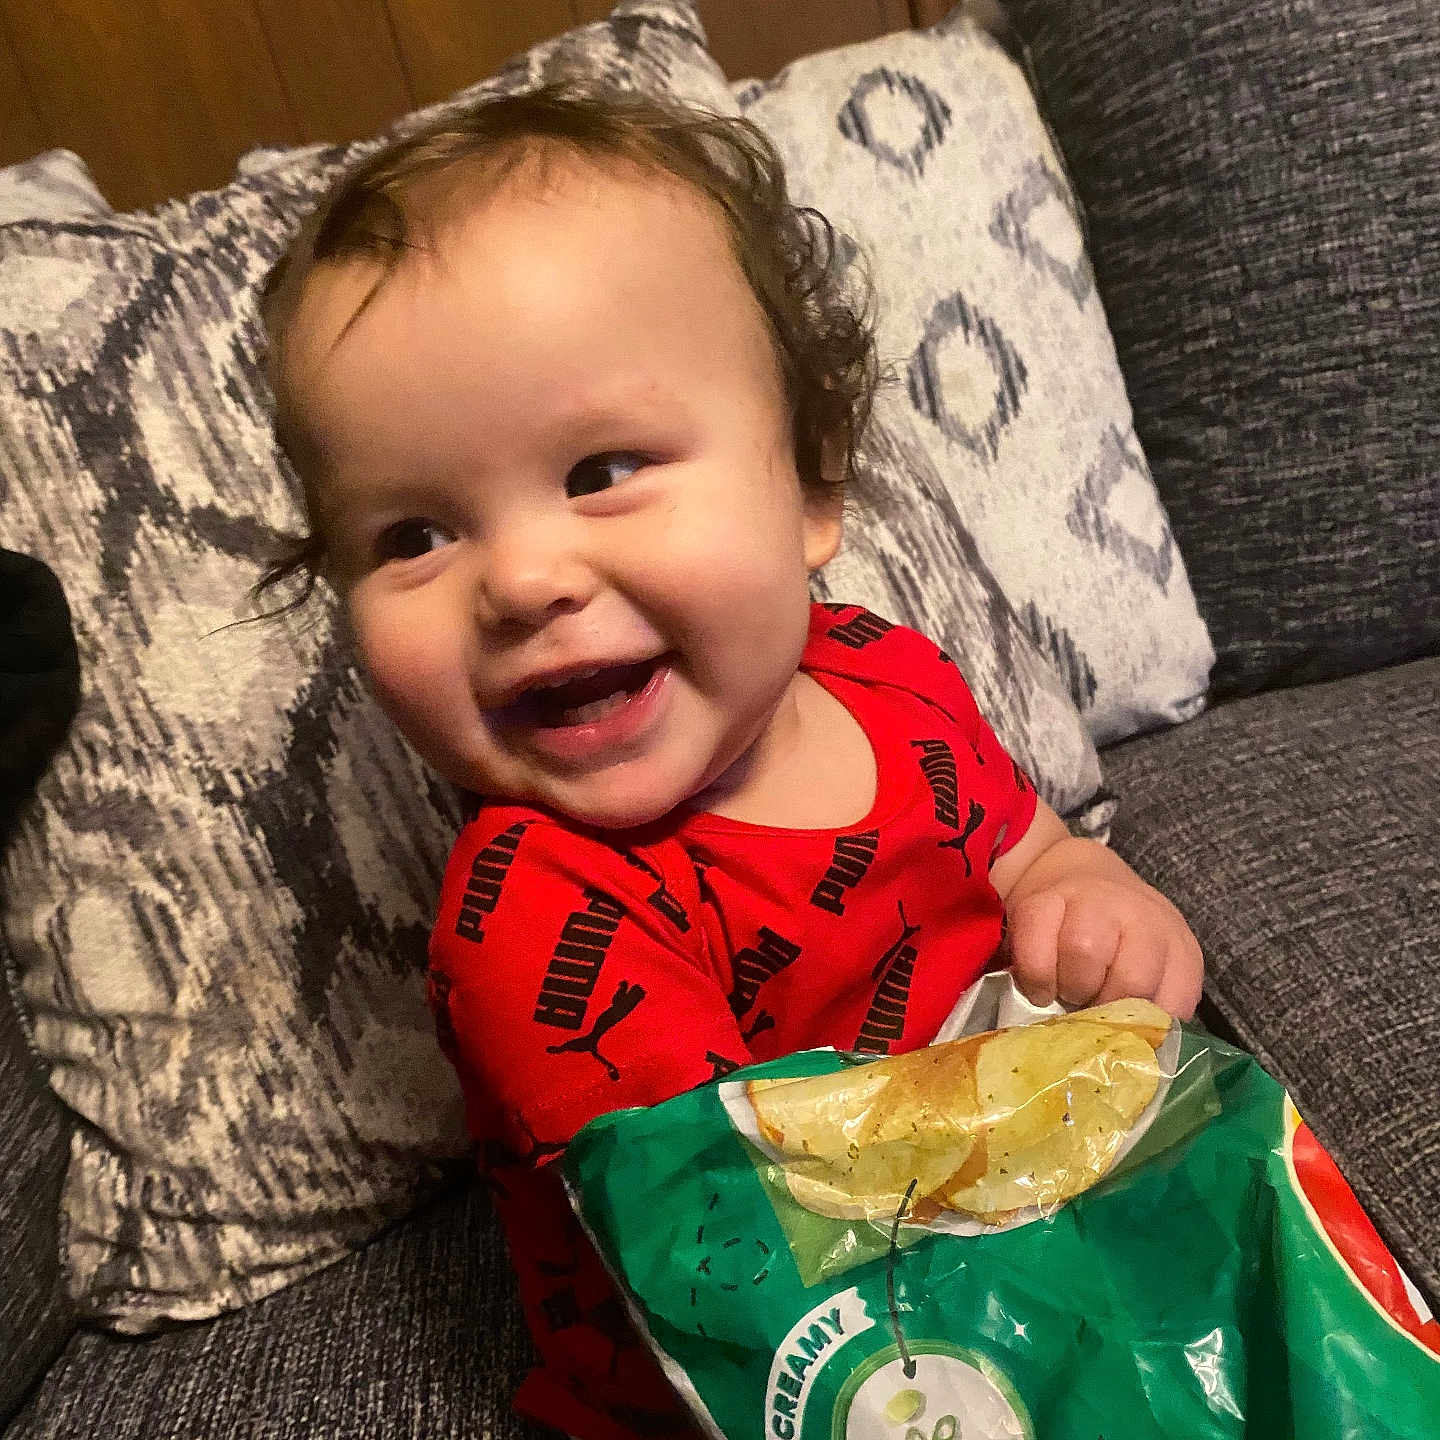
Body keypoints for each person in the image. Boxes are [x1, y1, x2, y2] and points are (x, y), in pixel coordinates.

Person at [258, 84, 1204, 1440]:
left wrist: (1092, 896)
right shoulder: (540, 918)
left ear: (814, 490)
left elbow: (1028, 850)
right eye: (410, 536)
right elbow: (735, 1260)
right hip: (774, 1367)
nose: (521, 578)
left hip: (1009, 1235)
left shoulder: (892, 676)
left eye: (601, 468)